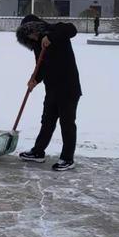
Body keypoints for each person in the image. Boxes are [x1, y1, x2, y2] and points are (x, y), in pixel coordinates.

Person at [16, 14, 82, 171]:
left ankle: (67, 158)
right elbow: (42, 68)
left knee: (67, 124)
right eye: (27, 35)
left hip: (68, 88)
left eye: (30, 32)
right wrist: (34, 80)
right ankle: (38, 152)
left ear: (36, 28)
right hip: (52, 89)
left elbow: (72, 29)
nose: (30, 36)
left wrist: (50, 37)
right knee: (47, 121)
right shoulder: (37, 45)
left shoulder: (57, 31)